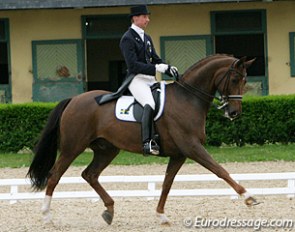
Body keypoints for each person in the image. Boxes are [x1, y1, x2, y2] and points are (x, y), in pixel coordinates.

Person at [120, 5, 179, 156]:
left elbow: (156, 59)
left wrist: (168, 67)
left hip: (150, 79)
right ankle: (147, 142)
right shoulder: (127, 38)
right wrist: (157, 68)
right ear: (135, 18)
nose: (148, 19)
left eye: (147, 16)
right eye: (145, 16)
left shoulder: (147, 38)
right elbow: (133, 66)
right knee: (150, 103)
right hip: (136, 79)